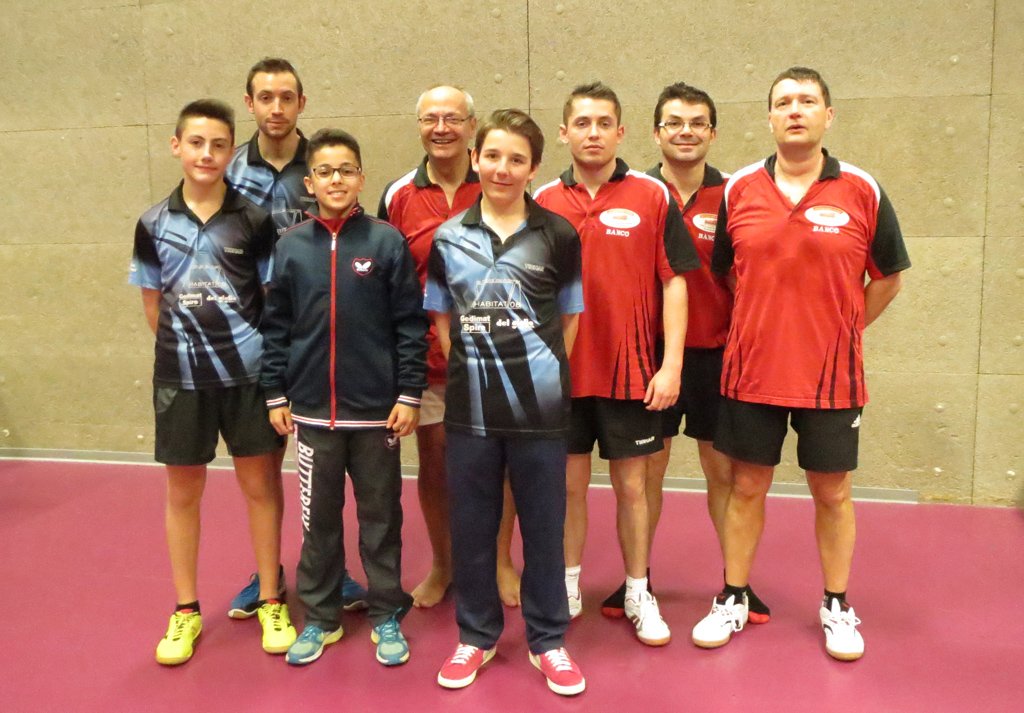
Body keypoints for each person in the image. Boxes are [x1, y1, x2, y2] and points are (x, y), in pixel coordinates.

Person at [691, 67, 910, 662]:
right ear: (769, 117)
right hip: (752, 372)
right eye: (783, 102)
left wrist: (841, 329)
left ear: (827, 116)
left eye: (807, 101)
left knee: (832, 491)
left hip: (831, 377)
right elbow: (727, 272)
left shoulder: (862, 188)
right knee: (746, 485)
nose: (795, 110)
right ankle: (733, 597)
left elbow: (888, 277)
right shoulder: (739, 188)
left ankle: (837, 605)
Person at [533, 82, 699, 646]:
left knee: (633, 487)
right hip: (562, 377)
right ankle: (568, 585)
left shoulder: (653, 196)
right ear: (564, 133)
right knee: (569, 487)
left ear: (621, 132)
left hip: (631, 375)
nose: (594, 133)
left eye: (604, 123)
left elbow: (674, 282)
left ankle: (637, 590)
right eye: (582, 123)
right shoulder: (542, 202)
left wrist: (671, 366)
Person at [130, 99, 295, 665]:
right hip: (181, 380)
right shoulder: (153, 223)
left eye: (219, 145)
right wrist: (190, 352)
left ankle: (271, 598)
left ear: (231, 152)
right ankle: (186, 609)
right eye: (196, 143)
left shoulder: (254, 220)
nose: (207, 154)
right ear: (176, 146)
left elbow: (270, 302)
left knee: (260, 487)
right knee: (183, 494)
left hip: (248, 378)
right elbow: (153, 305)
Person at [426, 109, 585, 696]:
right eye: (492, 155)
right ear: (475, 159)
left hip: (541, 411)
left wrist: (539, 373)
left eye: (516, 159)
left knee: (544, 527)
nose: (502, 168)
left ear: (533, 168)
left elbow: (569, 319)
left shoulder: (558, 234)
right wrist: (477, 370)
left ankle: (548, 639)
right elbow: (442, 319)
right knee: (472, 526)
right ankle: (477, 635)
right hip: (470, 411)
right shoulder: (449, 237)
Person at [598, 83, 770, 623]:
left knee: (723, 474)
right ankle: (639, 582)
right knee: (647, 473)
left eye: (697, 123)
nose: (686, 132)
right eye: (674, 122)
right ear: (656, 133)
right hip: (652, 358)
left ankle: (736, 586)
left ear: (713, 133)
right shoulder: (637, 193)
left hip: (718, 357)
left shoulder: (735, 194)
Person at [260, 128, 427, 667]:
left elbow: (410, 324)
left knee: (381, 521)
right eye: (325, 171)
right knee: (319, 524)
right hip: (312, 416)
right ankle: (322, 617)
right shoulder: (290, 246)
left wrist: (409, 393)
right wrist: (275, 393)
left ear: (361, 177)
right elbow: (276, 327)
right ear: (310, 182)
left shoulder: (386, 241)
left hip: (377, 417)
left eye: (346, 170)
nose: (336, 179)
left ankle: (386, 614)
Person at [225, 57, 369, 621]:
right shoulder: (231, 172)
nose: (277, 107)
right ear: (250, 103)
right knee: (265, 471)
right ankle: (269, 576)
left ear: (301, 103)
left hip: (322, 345)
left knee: (325, 473)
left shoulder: (326, 165)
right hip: (257, 340)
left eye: (287, 97)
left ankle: (331, 570)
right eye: (266, 97)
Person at [379, 85, 522, 609]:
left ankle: (501, 561)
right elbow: (388, 280)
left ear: (472, 126)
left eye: (453, 118)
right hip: (428, 361)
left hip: (497, 358)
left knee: (500, 466)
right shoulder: (398, 195)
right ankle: (443, 564)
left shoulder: (498, 180)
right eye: (430, 118)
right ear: (419, 126)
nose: (441, 128)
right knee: (436, 465)